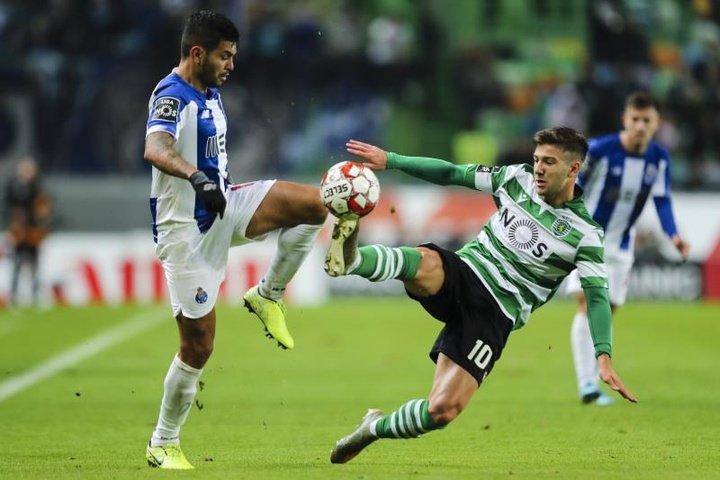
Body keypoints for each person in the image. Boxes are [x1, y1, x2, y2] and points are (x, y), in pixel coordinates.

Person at [324, 128, 637, 464]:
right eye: (536, 160)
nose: (539, 169)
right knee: (426, 262)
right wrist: (392, 160)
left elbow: (598, 296)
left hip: (495, 316)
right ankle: (353, 259)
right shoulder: (516, 179)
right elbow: (451, 173)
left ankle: (373, 428)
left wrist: (603, 356)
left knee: (441, 410)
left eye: (549, 162)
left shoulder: (586, 234)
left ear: (573, 169)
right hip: (468, 272)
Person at [143, 10, 327, 470]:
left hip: (223, 207)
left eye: (234, 56)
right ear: (198, 52)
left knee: (318, 204)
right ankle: (163, 441)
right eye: (225, 56)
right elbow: (155, 149)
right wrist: (196, 178)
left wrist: (213, 185)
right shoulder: (172, 95)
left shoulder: (211, 92)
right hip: (185, 234)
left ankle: (269, 294)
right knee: (199, 346)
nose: (231, 65)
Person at [565, 91, 689, 405]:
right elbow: (573, 186)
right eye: (635, 119)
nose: (639, 126)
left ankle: (592, 381)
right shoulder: (600, 150)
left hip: (622, 246)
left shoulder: (659, 158)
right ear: (625, 119)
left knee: (607, 310)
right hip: (587, 241)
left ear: (657, 123)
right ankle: (587, 386)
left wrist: (673, 235)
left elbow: (662, 200)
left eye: (647, 120)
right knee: (588, 305)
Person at [4, 156, 51, 307]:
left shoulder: (38, 187)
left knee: (34, 264)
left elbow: (43, 210)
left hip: (33, 231)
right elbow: (8, 209)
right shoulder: (13, 187)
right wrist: (10, 229)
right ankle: (14, 295)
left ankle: (36, 295)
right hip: (18, 231)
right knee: (17, 263)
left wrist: (42, 226)